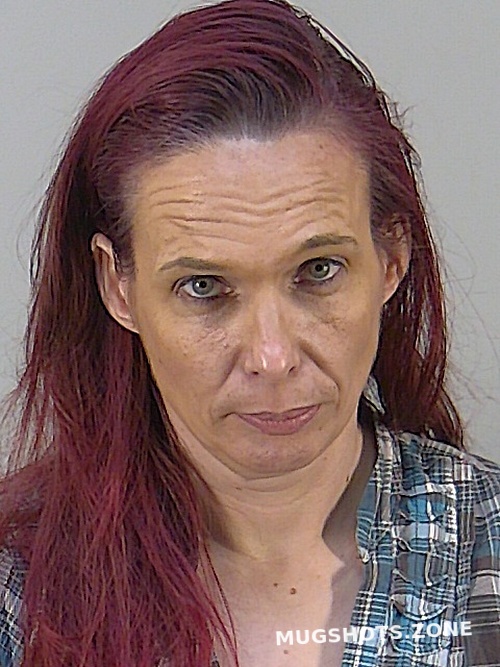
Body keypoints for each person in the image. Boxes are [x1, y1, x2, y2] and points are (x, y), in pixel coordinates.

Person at [0, 0, 498, 665]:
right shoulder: (19, 588)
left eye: (318, 271)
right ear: (118, 286)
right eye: (204, 287)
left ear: (391, 260)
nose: (272, 356)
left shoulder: (488, 550)